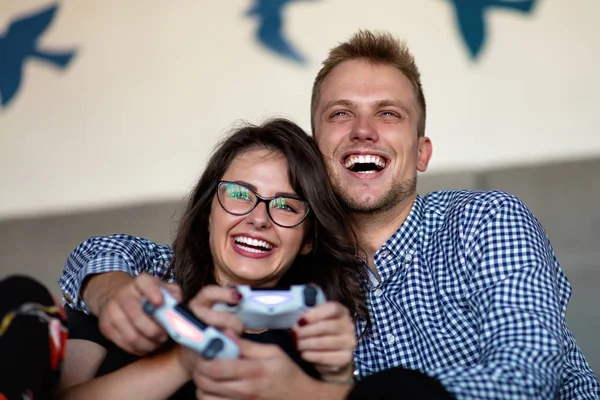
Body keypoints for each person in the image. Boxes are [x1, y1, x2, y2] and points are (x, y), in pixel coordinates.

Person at [59, 30, 600, 399]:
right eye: (341, 114)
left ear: (422, 152)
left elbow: (531, 377)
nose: (363, 131)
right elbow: (175, 258)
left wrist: (329, 397)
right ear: (316, 154)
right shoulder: (292, 263)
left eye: (388, 114)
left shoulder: (484, 219)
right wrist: (106, 286)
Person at [56, 118, 377, 399]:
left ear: (307, 240)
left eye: (286, 206)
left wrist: (337, 376)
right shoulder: (135, 300)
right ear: (209, 213)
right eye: (239, 195)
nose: (259, 218)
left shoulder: (320, 339)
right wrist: (186, 358)